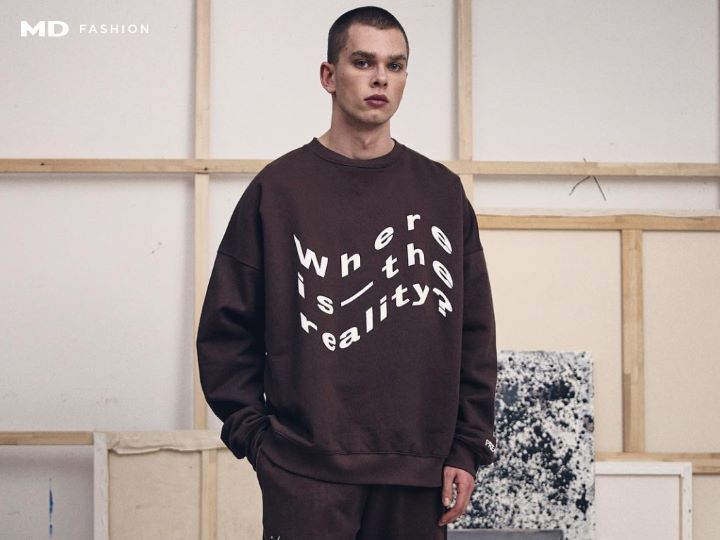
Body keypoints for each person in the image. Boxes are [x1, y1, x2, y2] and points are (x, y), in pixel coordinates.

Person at [196, 5, 498, 539]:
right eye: (363, 62)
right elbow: (225, 333)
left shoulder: (442, 194)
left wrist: (467, 448)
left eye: (395, 65)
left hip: (417, 475)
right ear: (329, 76)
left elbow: (475, 336)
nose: (381, 78)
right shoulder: (278, 191)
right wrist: (260, 443)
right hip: (306, 476)